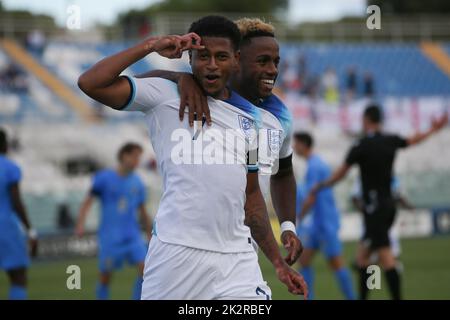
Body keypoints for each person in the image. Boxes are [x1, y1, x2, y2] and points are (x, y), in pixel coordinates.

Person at [78, 15, 307, 300]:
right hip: (175, 256)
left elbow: (252, 196)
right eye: (203, 56)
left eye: (221, 57)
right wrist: (151, 47)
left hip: (237, 259)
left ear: (234, 60)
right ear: (189, 59)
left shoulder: (256, 122)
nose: (212, 64)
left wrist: (276, 261)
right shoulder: (165, 95)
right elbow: (91, 83)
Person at [140, 18, 303, 266]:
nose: (272, 70)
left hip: (241, 250)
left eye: (275, 62)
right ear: (237, 60)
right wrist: (177, 77)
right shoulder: (200, 91)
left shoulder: (278, 117)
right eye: (262, 61)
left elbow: (282, 172)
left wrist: (288, 226)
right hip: (186, 247)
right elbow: (140, 84)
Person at [310, 104, 448, 300]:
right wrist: (434, 129)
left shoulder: (361, 146)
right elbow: (413, 140)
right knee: (363, 258)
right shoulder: (390, 140)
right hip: (388, 205)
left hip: (374, 208)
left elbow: (340, 174)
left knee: (385, 257)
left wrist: (321, 185)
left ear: (366, 120)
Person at [75, 143, 152, 300]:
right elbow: (87, 202)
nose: (137, 160)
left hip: (133, 236)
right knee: (105, 276)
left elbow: (142, 211)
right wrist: (80, 225)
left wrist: (150, 232)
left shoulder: (137, 182)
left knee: (146, 270)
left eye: (139, 157)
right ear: (124, 155)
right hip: (111, 237)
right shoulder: (104, 178)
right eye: (135, 156)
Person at [293, 132, 355, 300]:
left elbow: (311, 197)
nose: (293, 147)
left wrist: (299, 216)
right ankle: (308, 297)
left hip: (325, 222)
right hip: (316, 224)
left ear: (304, 145)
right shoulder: (314, 164)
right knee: (304, 260)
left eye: (296, 143)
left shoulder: (314, 166)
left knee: (336, 263)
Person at [0, 128, 38, 299]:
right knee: (18, 278)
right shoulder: (9, 167)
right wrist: (30, 230)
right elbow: (16, 202)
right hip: (5, 227)